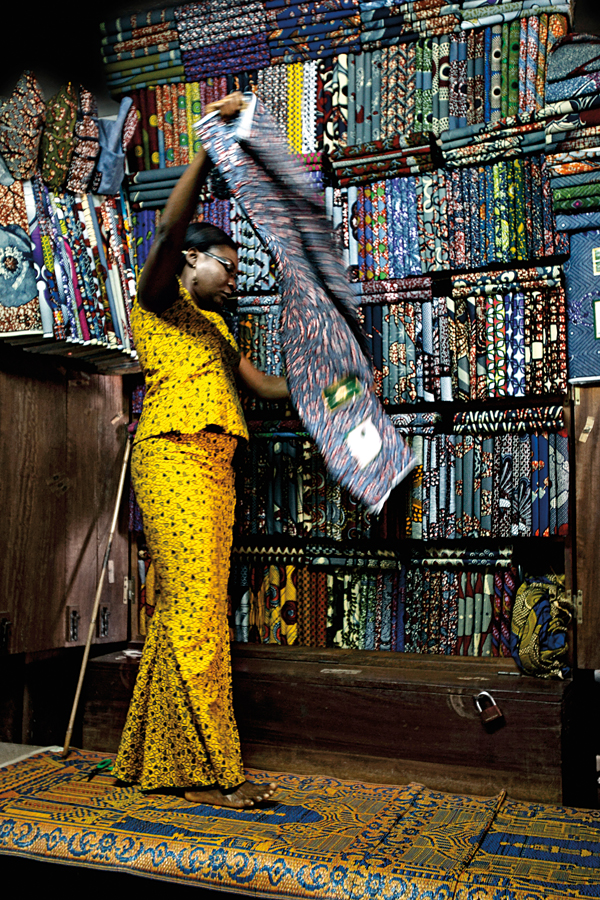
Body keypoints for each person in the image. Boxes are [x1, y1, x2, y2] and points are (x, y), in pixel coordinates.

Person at [113, 94, 287, 809]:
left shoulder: (217, 332)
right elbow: (172, 228)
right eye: (228, 264)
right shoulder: (157, 299)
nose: (235, 276)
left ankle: (156, 761)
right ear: (190, 260)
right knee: (199, 617)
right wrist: (207, 150)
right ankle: (221, 773)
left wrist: (333, 388)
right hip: (173, 459)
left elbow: (268, 389)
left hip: (215, 470)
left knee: (187, 613)